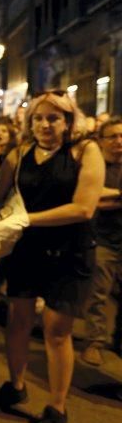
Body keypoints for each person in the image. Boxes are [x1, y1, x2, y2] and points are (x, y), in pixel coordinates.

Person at [0, 91, 104, 423]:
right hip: (26, 251)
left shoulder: (84, 151)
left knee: (56, 332)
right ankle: (15, 386)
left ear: (68, 121)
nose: (45, 124)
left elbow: (84, 207)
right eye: (38, 118)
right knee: (17, 320)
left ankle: (57, 408)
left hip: (71, 251)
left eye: (54, 118)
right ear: (29, 122)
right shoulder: (19, 154)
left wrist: (27, 219)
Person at [81, 116, 122, 366]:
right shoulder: (96, 167)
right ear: (101, 140)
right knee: (98, 294)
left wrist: (110, 198)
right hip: (102, 239)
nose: (119, 141)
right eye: (113, 136)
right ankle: (94, 342)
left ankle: (118, 340)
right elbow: (92, 197)